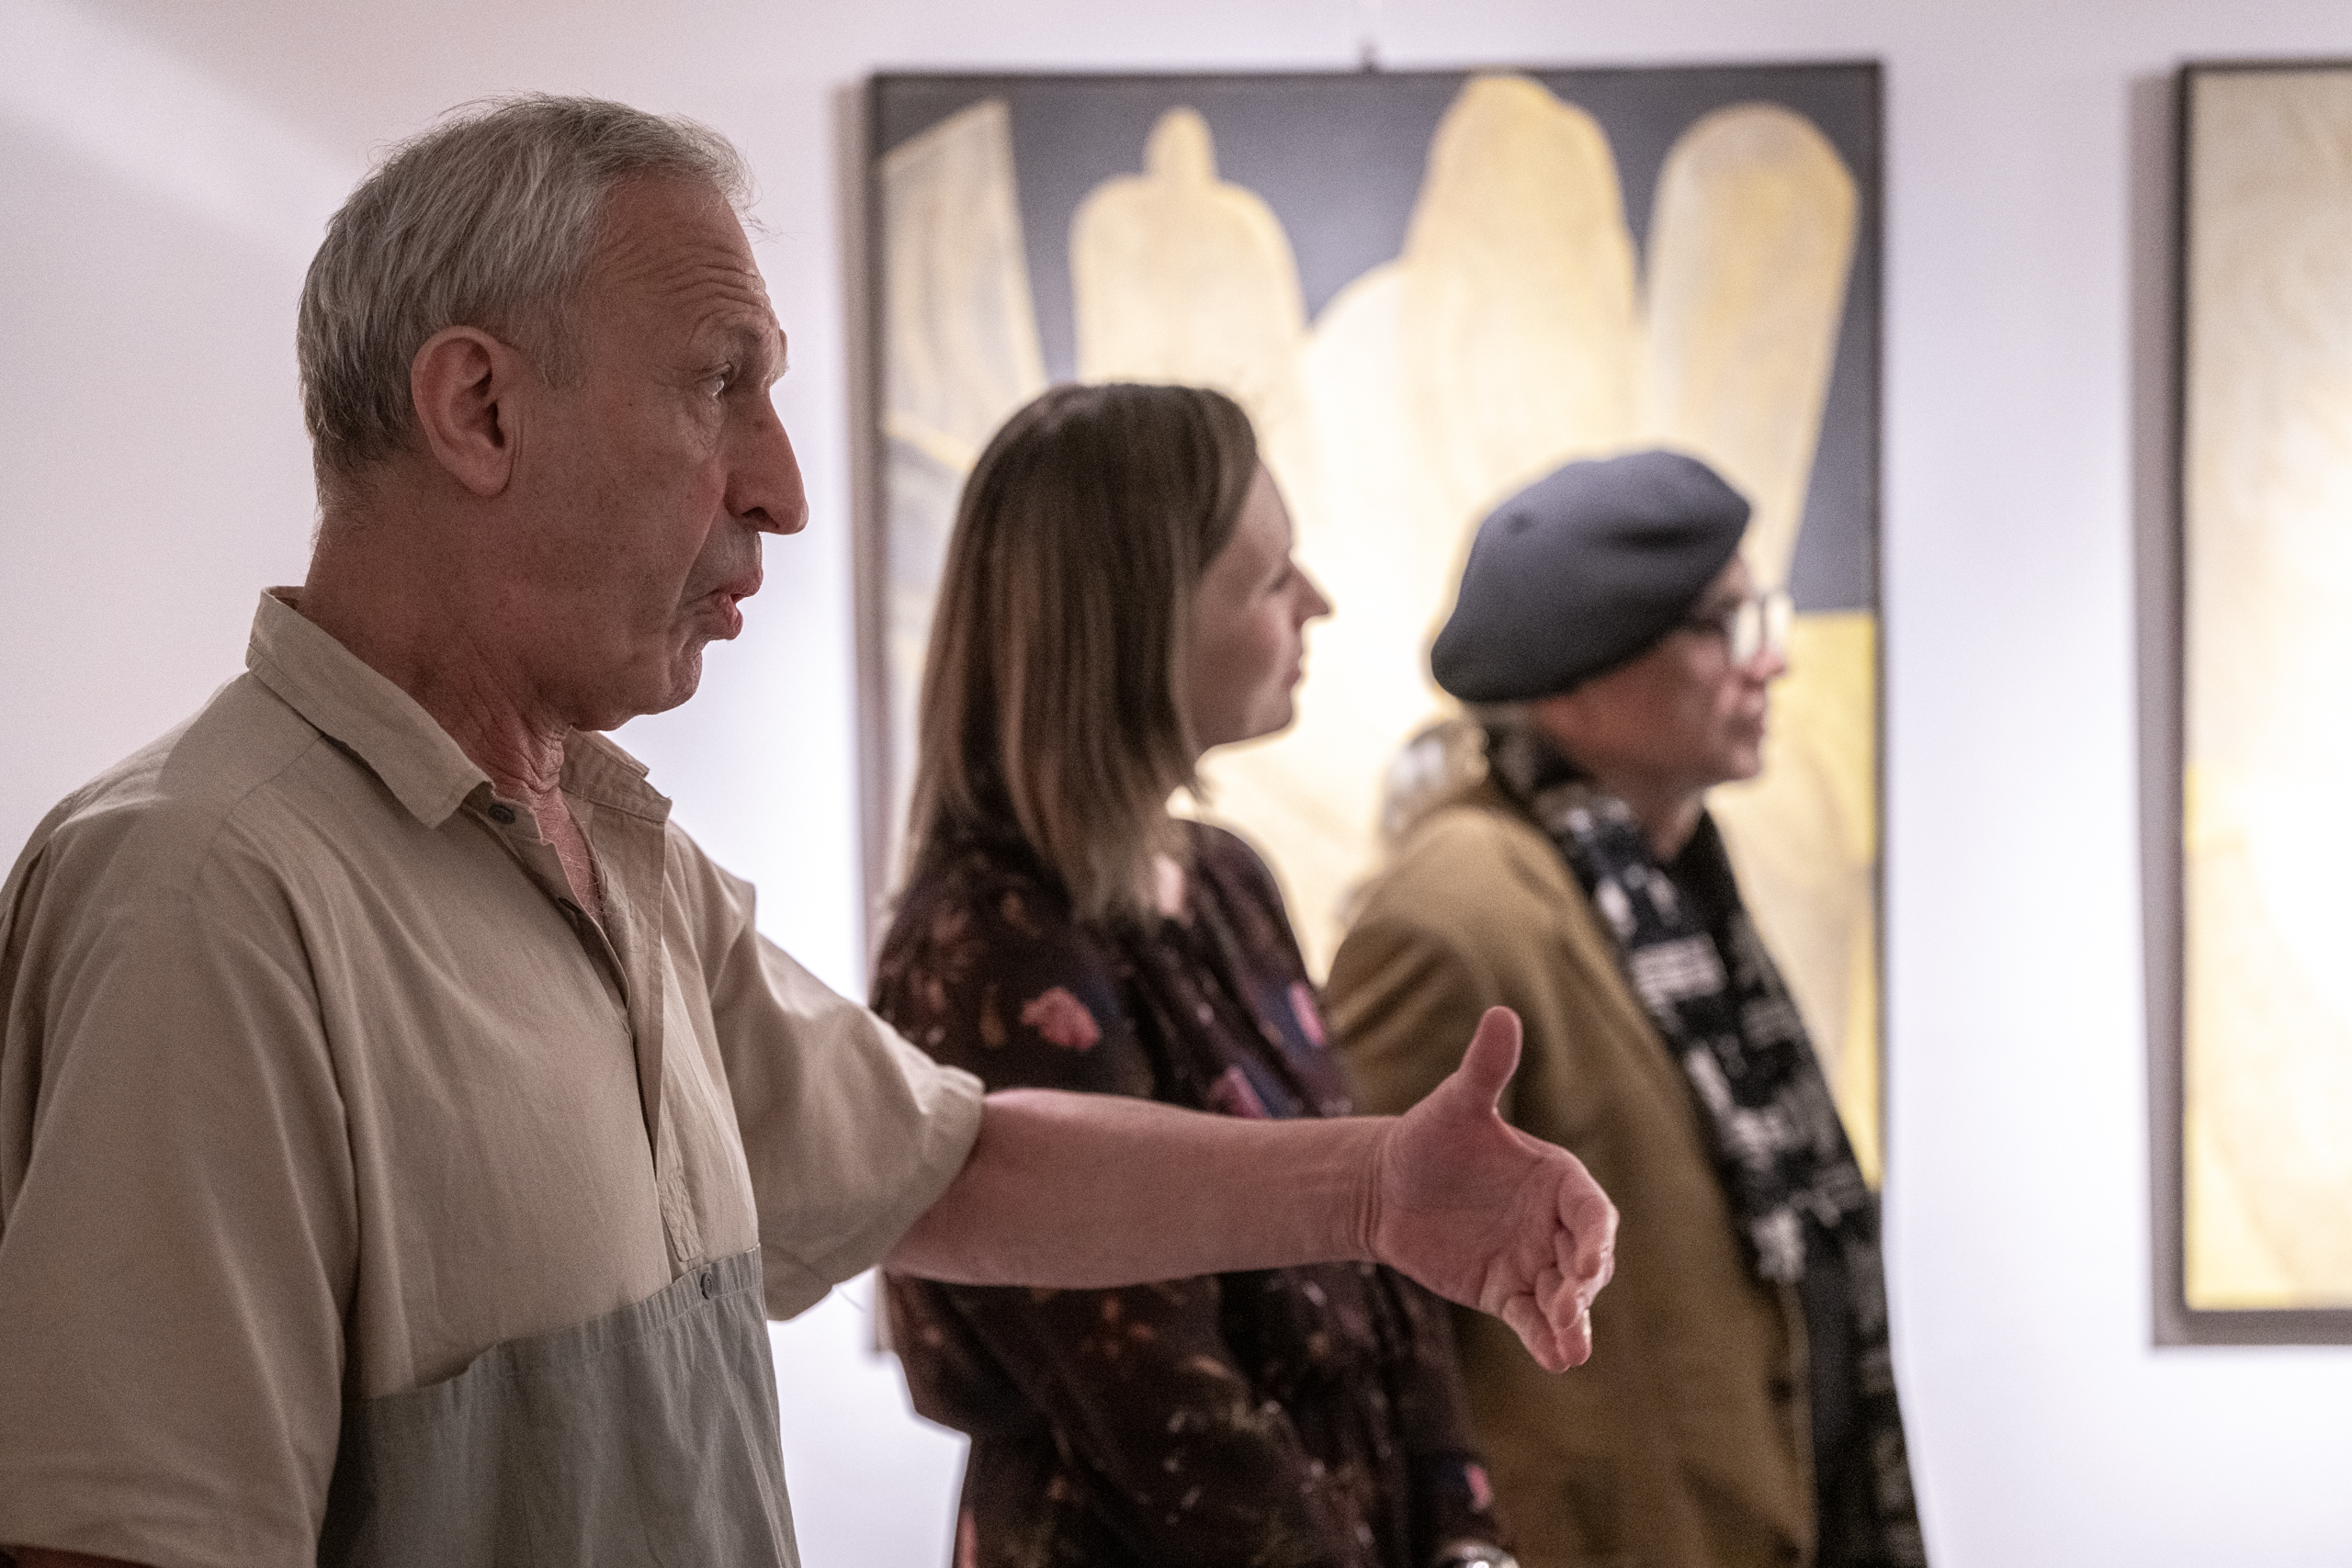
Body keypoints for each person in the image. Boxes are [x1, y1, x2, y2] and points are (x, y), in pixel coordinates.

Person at [0, 98, 1616, 1568]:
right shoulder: (207, 897)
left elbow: (947, 1168)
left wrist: (1373, 1186)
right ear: (479, 407)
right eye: (722, 387)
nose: (779, 486)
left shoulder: (620, 862)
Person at [875, 382, 1515, 1568]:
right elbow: (1158, 1413)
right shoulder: (989, 943)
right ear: (1137, 625)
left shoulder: (1225, 879)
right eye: (1269, 581)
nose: (1315, 602)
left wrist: (1463, 1534)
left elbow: (1382, 1277)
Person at [1326, 451, 1926, 1568]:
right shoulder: (1454, 918)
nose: (1770, 661)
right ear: (1573, 680)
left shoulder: (1672, 890)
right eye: (1720, 627)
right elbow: (1354, 1304)